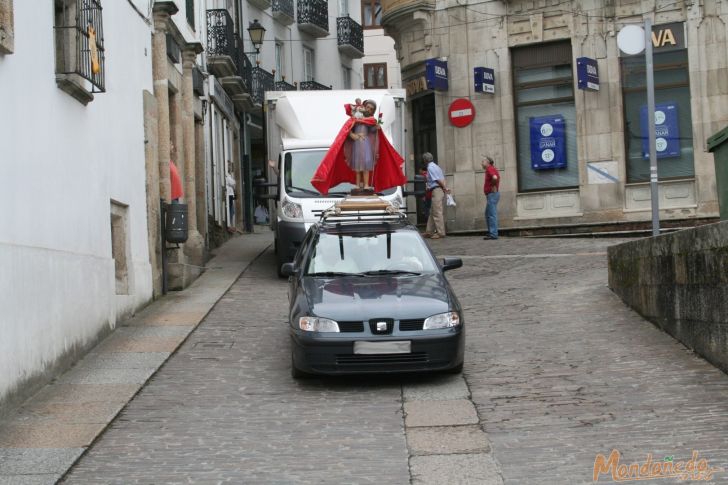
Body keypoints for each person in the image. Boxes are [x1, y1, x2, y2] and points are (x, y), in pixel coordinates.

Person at [310, 99, 406, 195]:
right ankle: (358, 184)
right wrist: (352, 135)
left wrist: (376, 127)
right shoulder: (354, 119)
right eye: (367, 107)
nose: (368, 110)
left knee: (366, 164)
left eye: (371, 109)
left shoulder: (371, 120)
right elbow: (347, 130)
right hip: (357, 145)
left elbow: (372, 130)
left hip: (366, 144)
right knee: (357, 165)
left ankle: (366, 185)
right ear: (363, 107)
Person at [422, 153, 450, 239]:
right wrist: (444, 187)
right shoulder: (437, 167)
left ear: (425, 160)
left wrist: (445, 187)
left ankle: (441, 232)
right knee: (433, 212)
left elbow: (437, 180)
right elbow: (442, 178)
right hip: (438, 189)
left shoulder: (430, 167)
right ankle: (429, 231)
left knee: (437, 212)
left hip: (436, 190)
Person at [482, 156, 501, 240]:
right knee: (488, 214)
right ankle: (491, 232)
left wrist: (493, 185)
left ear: (488, 162)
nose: (481, 163)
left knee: (491, 214)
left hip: (492, 194)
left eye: (483, 161)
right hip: (491, 195)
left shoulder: (490, 168)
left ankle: (493, 234)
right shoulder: (490, 169)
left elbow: (495, 177)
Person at [225, 161, 237, 233]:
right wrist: (233, 182)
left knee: (232, 210)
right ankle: (229, 225)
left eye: (230, 166)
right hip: (228, 194)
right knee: (230, 210)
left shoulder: (229, 175)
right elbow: (233, 182)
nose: (230, 167)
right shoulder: (227, 175)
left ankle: (231, 224)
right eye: (229, 166)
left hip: (231, 194)